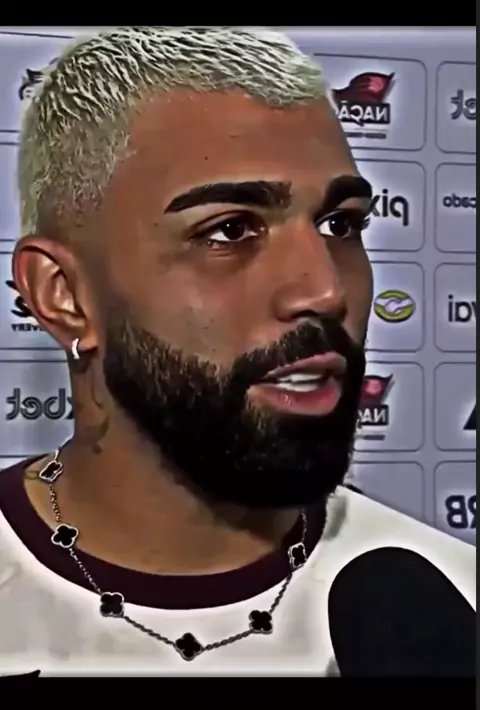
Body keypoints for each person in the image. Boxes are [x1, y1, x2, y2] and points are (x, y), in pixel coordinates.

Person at [0, 26, 474, 677]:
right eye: (229, 230)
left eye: (340, 224)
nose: (325, 290)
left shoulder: (455, 612)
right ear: (65, 296)